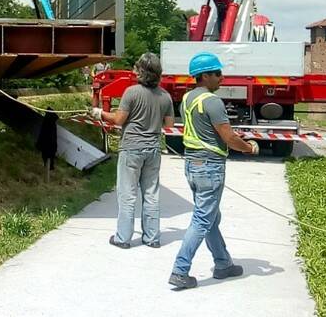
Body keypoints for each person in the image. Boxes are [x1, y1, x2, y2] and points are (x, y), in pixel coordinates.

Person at [168, 52, 259, 289]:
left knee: (211, 218)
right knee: (202, 219)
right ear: (205, 76)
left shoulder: (187, 98)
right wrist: (249, 148)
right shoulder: (212, 101)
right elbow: (228, 137)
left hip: (192, 164)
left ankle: (223, 264)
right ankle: (180, 270)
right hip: (210, 166)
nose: (222, 77)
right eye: (217, 73)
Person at [90, 52, 175, 249]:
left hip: (132, 148)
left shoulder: (132, 92)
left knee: (127, 195)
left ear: (140, 71)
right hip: (153, 149)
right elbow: (169, 123)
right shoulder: (165, 96)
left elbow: (119, 120)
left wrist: (99, 113)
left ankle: (123, 238)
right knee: (151, 194)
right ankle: (152, 238)